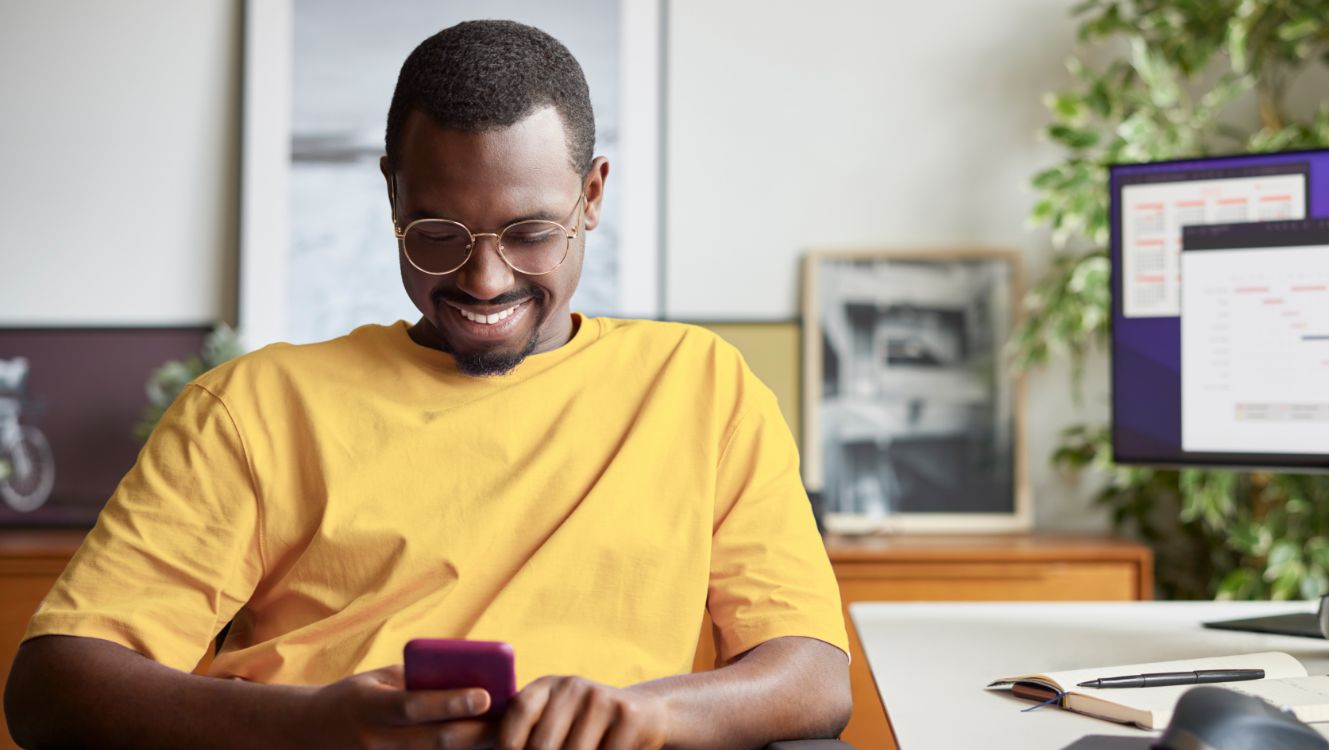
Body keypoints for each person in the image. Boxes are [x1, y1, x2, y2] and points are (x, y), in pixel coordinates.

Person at [5, 20, 850, 750]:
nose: (485, 280)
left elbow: (811, 675)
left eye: (529, 232)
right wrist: (309, 727)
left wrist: (637, 715)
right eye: (437, 234)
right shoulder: (255, 408)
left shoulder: (701, 388)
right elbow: (52, 684)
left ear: (592, 196)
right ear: (391, 195)